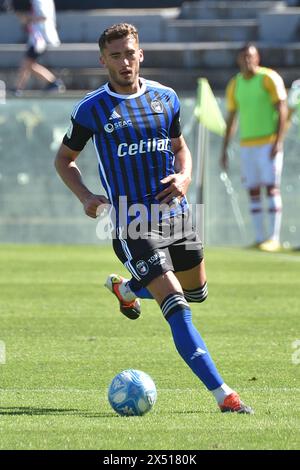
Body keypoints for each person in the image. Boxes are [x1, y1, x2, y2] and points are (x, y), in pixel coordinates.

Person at [55, 23, 253, 414]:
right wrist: (86, 197)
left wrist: (186, 176)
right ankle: (224, 395)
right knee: (178, 305)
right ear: (103, 60)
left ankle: (129, 290)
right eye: (116, 56)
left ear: (140, 54)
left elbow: (181, 149)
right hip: (132, 222)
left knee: (197, 291)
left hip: (179, 215)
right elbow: (64, 160)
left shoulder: (166, 97)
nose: (124, 62)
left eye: (130, 53)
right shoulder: (92, 109)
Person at [221, 43, 288, 252]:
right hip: (247, 144)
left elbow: (282, 109)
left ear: (258, 58)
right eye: (244, 57)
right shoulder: (235, 84)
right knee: (253, 190)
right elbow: (232, 118)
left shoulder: (269, 78)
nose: (248, 60)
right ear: (239, 60)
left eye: (251, 56)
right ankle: (259, 238)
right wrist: (224, 148)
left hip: (268, 142)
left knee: (271, 187)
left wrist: (278, 140)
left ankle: (274, 238)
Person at [13, 0, 65, 95]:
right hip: (38, 38)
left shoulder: (40, 1)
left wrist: (26, 18)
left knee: (26, 63)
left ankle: (18, 89)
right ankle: (53, 82)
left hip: (40, 38)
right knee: (29, 65)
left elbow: (43, 17)